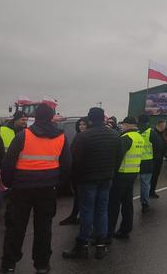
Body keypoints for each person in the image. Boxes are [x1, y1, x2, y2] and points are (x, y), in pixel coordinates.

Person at [0, 104, 71, 274]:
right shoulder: (61, 137)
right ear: (52, 117)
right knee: (44, 227)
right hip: (47, 189)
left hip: (21, 189)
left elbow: (8, 163)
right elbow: (67, 165)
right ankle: (42, 264)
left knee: (16, 227)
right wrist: (57, 184)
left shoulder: (24, 135)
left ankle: (9, 266)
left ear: (35, 117)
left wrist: (9, 184)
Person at [63, 107, 120, 260]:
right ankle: (101, 246)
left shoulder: (83, 136)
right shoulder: (115, 135)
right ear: (103, 118)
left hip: (87, 179)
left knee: (87, 212)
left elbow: (74, 160)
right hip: (106, 178)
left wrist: (75, 176)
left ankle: (82, 245)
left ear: (90, 119)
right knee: (102, 211)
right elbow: (118, 157)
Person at [107, 117, 142, 241]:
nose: (121, 126)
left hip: (121, 174)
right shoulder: (139, 137)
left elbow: (118, 158)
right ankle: (125, 230)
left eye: (123, 124)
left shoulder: (126, 138)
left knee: (113, 204)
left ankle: (108, 233)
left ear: (127, 125)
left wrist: (112, 173)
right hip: (133, 173)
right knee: (127, 203)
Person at [0, 111, 28, 217]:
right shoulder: (2, 130)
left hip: (19, 168)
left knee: (12, 196)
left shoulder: (26, 132)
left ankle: (11, 218)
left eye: (26, 120)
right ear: (16, 120)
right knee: (1, 192)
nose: (25, 122)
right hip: (2, 167)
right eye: (23, 120)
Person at [59, 117, 88, 225]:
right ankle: (74, 215)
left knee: (83, 196)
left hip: (83, 172)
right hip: (76, 171)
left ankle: (81, 217)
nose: (81, 126)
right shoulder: (78, 136)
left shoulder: (85, 137)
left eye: (84, 124)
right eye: (80, 124)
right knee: (78, 195)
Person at [137, 114, 154, 213]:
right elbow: (159, 146)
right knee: (145, 183)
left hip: (134, 161)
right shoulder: (151, 132)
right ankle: (145, 203)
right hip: (147, 161)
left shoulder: (136, 131)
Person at [149, 119, 167, 198]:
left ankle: (152, 191)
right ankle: (149, 191)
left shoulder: (161, 134)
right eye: (164, 125)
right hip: (153, 158)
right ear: (160, 125)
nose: (165, 127)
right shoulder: (153, 133)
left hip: (159, 158)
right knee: (151, 176)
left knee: (156, 175)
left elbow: (163, 145)